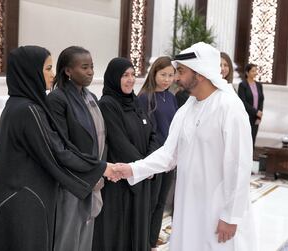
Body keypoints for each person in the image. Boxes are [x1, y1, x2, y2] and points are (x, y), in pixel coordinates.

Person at [116, 42, 257, 251]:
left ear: (199, 73)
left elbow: (239, 166)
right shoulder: (188, 107)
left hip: (217, 210)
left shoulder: (230, 107)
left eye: (181, 71)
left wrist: (231, 215)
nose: (177, 78)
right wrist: (132, 169)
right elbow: (169, 154)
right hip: (188, 205)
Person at [0, 46, 119, 251]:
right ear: (30, 70)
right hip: (23, 202)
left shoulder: (18, 105)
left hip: (16, 198)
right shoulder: (28, 110)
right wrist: (101, 169)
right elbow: (56, 152)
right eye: (48, 68)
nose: (53, 74)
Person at [93, 57, 159, 251]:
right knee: (119, 231)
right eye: (124, 75)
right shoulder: (107, 104)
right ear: (114, 77)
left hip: (141, 176)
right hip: (120, 180)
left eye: (132, 74)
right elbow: (119, 142)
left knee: (138, 228)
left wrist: (150, 164)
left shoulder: (135, 101)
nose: (130, 79)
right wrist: (144, 168)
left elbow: (153, 134)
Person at [46, 46, 106, 251]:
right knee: (67, 240)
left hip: (92, 178)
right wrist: (93, 172)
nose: (91, 71)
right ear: (68, 71)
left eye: (92, 66)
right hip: (70, 182)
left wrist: (97, 173)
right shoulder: (57, 99)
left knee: (85, 239)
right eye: (84, 67)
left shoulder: (90, 98)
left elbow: (99, 140)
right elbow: (60, 148)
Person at [138, 56, 178, 251]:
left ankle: (152, 241)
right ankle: (142, 241)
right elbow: (145, 132)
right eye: (163, 75)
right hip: (155, 158)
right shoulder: (145, 97)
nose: (167, 79)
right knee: (151, 202)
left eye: (171, 75)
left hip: (170, 158)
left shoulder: (171, 97)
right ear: (154, 73)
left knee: (162, 201)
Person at [237, 63, 264, 146]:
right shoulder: (242, 85)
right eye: (253, 71)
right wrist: (256, 112)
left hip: (256, 117)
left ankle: (250, 158)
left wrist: (259, 115)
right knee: (245, 139)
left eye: (256, 71)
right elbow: (243, 102)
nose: (255, 72)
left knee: (253, 139)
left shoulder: (259, 85)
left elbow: (261, 100)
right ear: (247, 73)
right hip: (246, 116)